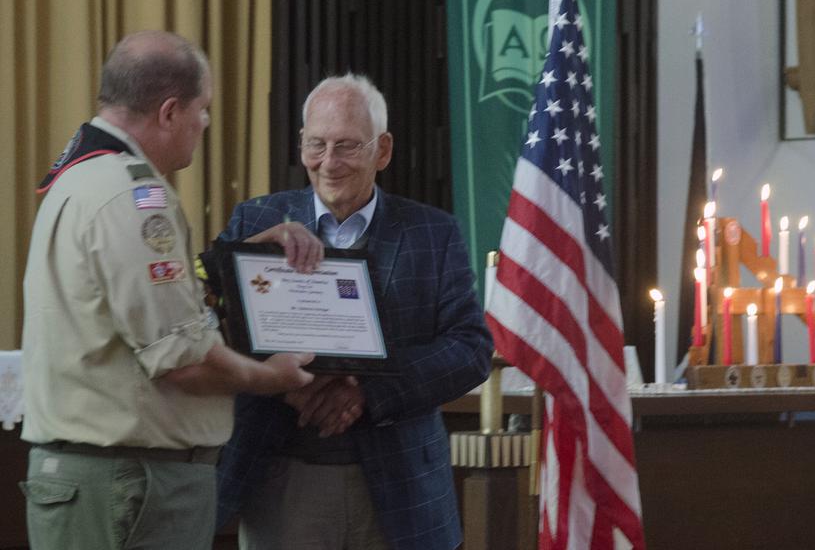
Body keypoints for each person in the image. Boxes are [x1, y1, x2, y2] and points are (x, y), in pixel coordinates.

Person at [19, 30, 320, 550]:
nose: (204, 124)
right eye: (203, 110)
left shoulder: (84, 178)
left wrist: (238, 258)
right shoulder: (136, 196)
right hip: (131, 484)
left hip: (101, 479)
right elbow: (184, 360)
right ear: (169, 111)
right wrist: (270, 377)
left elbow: (132, 299)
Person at [212, 74, 493, 549]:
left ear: (382, 151)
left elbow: (470, 349)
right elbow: (208, 321)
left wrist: (365, 391)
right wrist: (285, 384)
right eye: (316, 145)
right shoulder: (256, 222)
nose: (328, 163)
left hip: (401, 493)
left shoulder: (433, 232)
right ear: (301, 144)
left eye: (346, 146)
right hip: (282, 479)